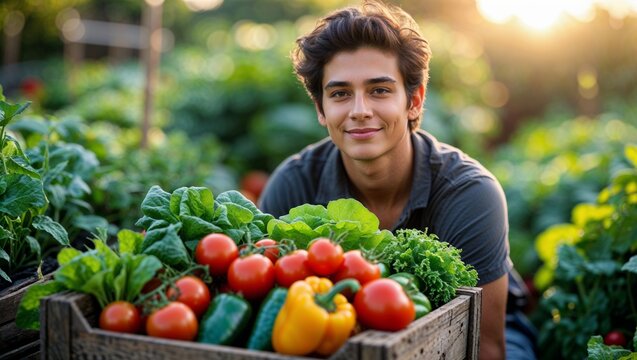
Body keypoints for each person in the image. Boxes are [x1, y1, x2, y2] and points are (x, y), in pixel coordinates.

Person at [258, 1, 536, 359]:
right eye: (340, 93)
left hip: (477, 334)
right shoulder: (293, 185)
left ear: (415, 101)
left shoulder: (469, 193)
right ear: (320, 109)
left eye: (379, 90)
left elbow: (486, 345)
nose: (359, 110)